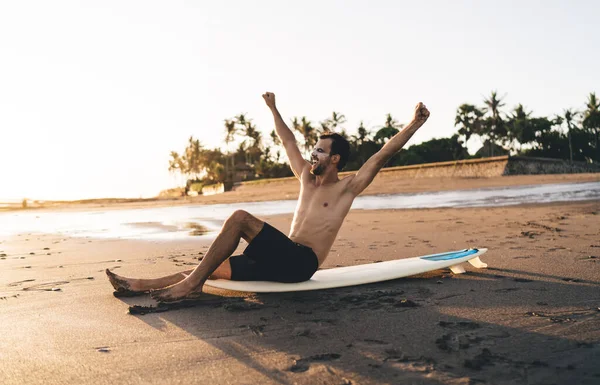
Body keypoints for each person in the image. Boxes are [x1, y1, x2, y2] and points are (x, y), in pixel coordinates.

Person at [106, 92, 430, 302]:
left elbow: (382, 154)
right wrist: (273, 108)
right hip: (280, 258)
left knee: (239, 220)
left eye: (320, 150)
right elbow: (287, 139)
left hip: (302, 263)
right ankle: (138, 285)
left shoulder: (347, 188)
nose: (312, 153)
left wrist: (415, 123)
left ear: (335, 160)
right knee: (208, 266)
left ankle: (190, 286)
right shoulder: (306, 176)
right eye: (314, 148)